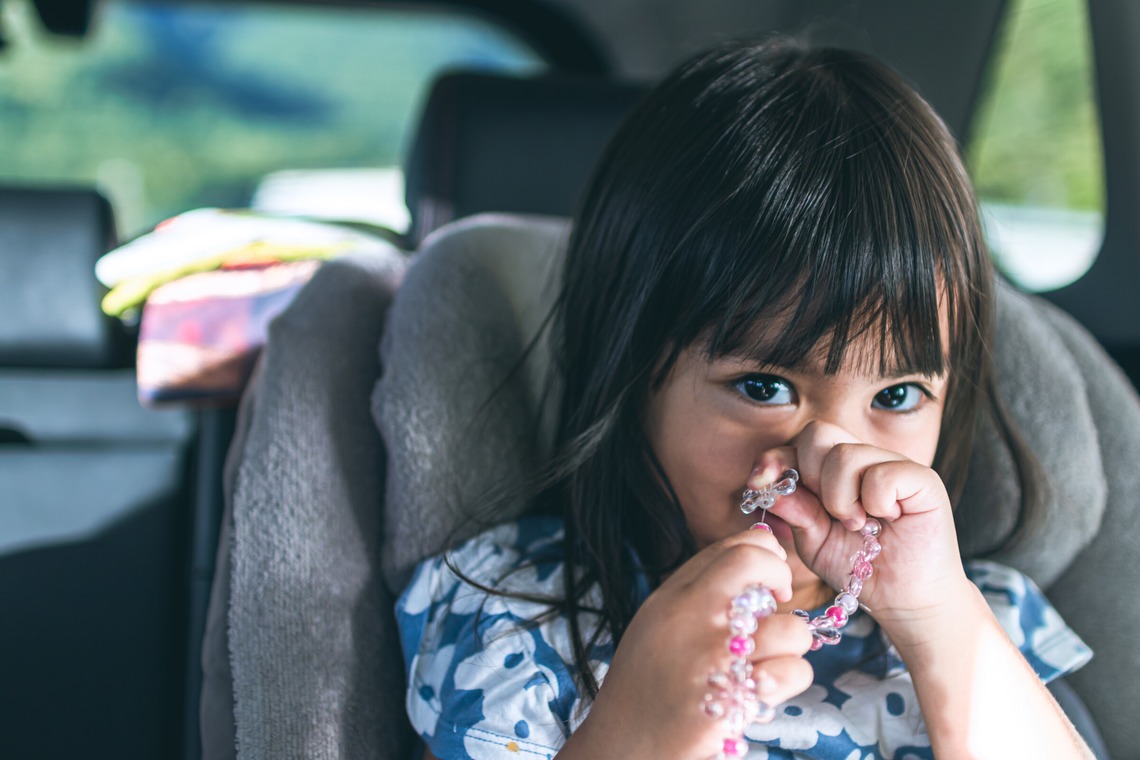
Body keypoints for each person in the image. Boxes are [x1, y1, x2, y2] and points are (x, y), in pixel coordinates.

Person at [395, 37, 1095, 759]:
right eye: (764, 387)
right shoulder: (514, 616)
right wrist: (634, 731)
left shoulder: (982, 620)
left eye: (898, 394)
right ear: (631, 374)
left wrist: (939, 623)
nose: (832, 454)